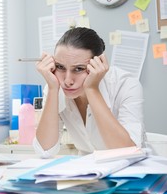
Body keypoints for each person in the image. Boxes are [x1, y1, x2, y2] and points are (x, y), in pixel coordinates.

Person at [33, 27, 146, 157]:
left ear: (98, 65)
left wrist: (92, 88)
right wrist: (53, 89)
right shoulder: (55, 86)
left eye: (79, 69)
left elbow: (128, 152)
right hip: (88, 171)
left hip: (128, 171)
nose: (67, 81)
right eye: (60, 67)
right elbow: (44, 151)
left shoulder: (126, 85)